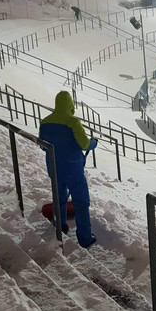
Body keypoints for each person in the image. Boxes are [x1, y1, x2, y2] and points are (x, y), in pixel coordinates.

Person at [39, 91, 98, 248]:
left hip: (54, 166)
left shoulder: (45, 122)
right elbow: (84, 144)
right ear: (70, 104)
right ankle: (85, 238)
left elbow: (42, 145)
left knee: (59, 198)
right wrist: (93, 143)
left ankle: (61, 226)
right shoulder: (73, 122)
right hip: (73, 169)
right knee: (81, 202)